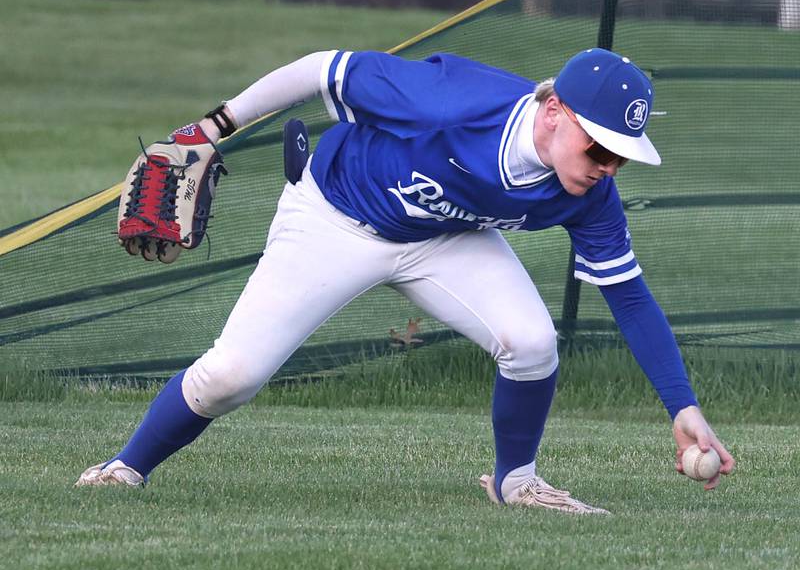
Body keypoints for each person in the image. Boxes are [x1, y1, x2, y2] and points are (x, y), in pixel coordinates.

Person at [76, 48, 735, 513]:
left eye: (621, 157)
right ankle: (123, 468)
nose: (607, 168)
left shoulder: (590, 193)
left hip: (447, 235)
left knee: (531, 341)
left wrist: (684, 407)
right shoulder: (451, 104)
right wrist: (216, 125)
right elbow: (323, 67)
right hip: (336, 214)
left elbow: (627, 293)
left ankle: (518, 482)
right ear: (554, 109)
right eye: (599, 148)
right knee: (232, 376)